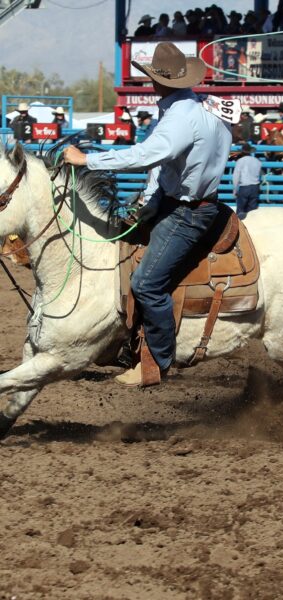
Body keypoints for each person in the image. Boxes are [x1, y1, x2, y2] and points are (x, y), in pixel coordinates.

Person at [63, 42, 233, 386]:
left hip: (187, 212)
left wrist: (87, 160)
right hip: (186, 202)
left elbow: (147, 155)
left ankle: (157, 361)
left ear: (157, 81)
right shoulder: (202, 108)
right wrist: (152, 200)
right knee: (124, 254)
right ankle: (126, 340)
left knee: (146, 283)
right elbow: (165, 163)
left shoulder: (180, 118)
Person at [233, 143, 262, 219]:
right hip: (255, 187)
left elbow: (236, 176)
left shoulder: (240, 161)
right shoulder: (257, 161)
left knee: (240, 210)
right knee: (252, 212)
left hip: (244, 187)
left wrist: (235, 190)